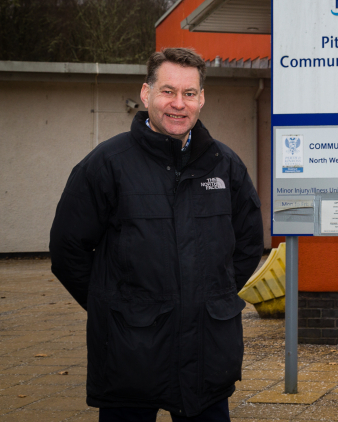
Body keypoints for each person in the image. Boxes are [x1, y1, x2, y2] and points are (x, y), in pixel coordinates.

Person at [50, 48, 263, 422]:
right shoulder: (107, 164)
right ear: (146, 94)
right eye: (168, 91)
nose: (178, 104)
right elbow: (69, 251)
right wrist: (118, 309)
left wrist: (211, 296)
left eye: (189, 93)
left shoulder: (225, 165)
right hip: (129, 353)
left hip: (206, 350)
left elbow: (246, 244)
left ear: (202, 99)